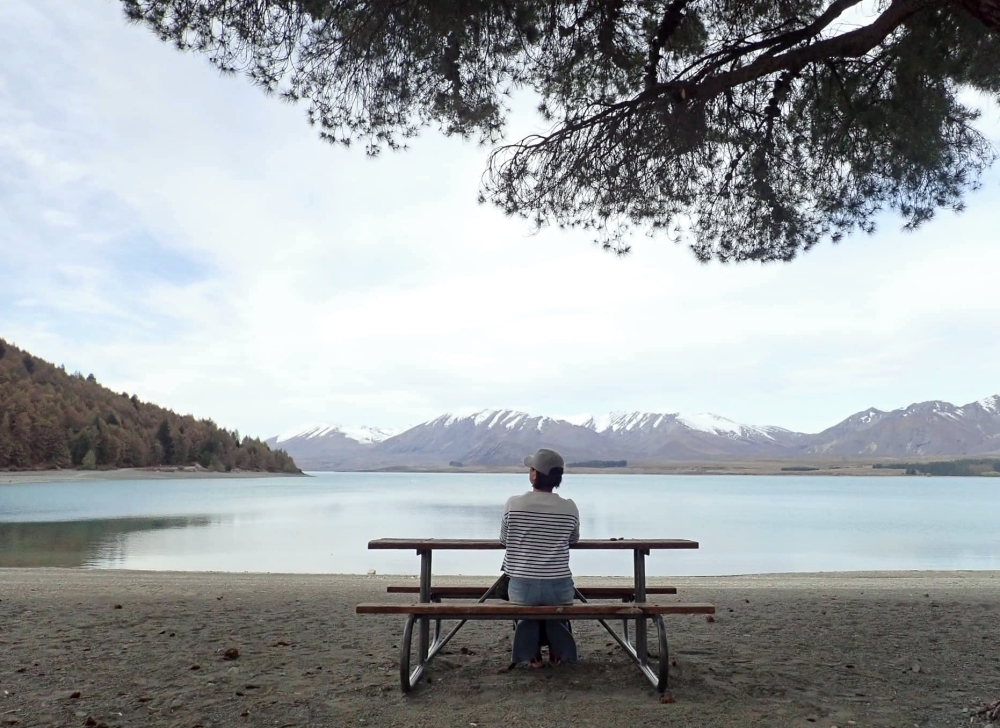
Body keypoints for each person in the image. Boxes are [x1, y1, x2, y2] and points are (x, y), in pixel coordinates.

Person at [500, 448, 580, 667]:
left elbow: (504, 539)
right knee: (556, 608)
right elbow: (573, 539)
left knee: (526, 607)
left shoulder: (513, 504)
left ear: (534, 475)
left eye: (531, 468)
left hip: (522, 588)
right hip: (560, 587)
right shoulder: (570, 507)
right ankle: (559, 651)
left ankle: (531, 654)